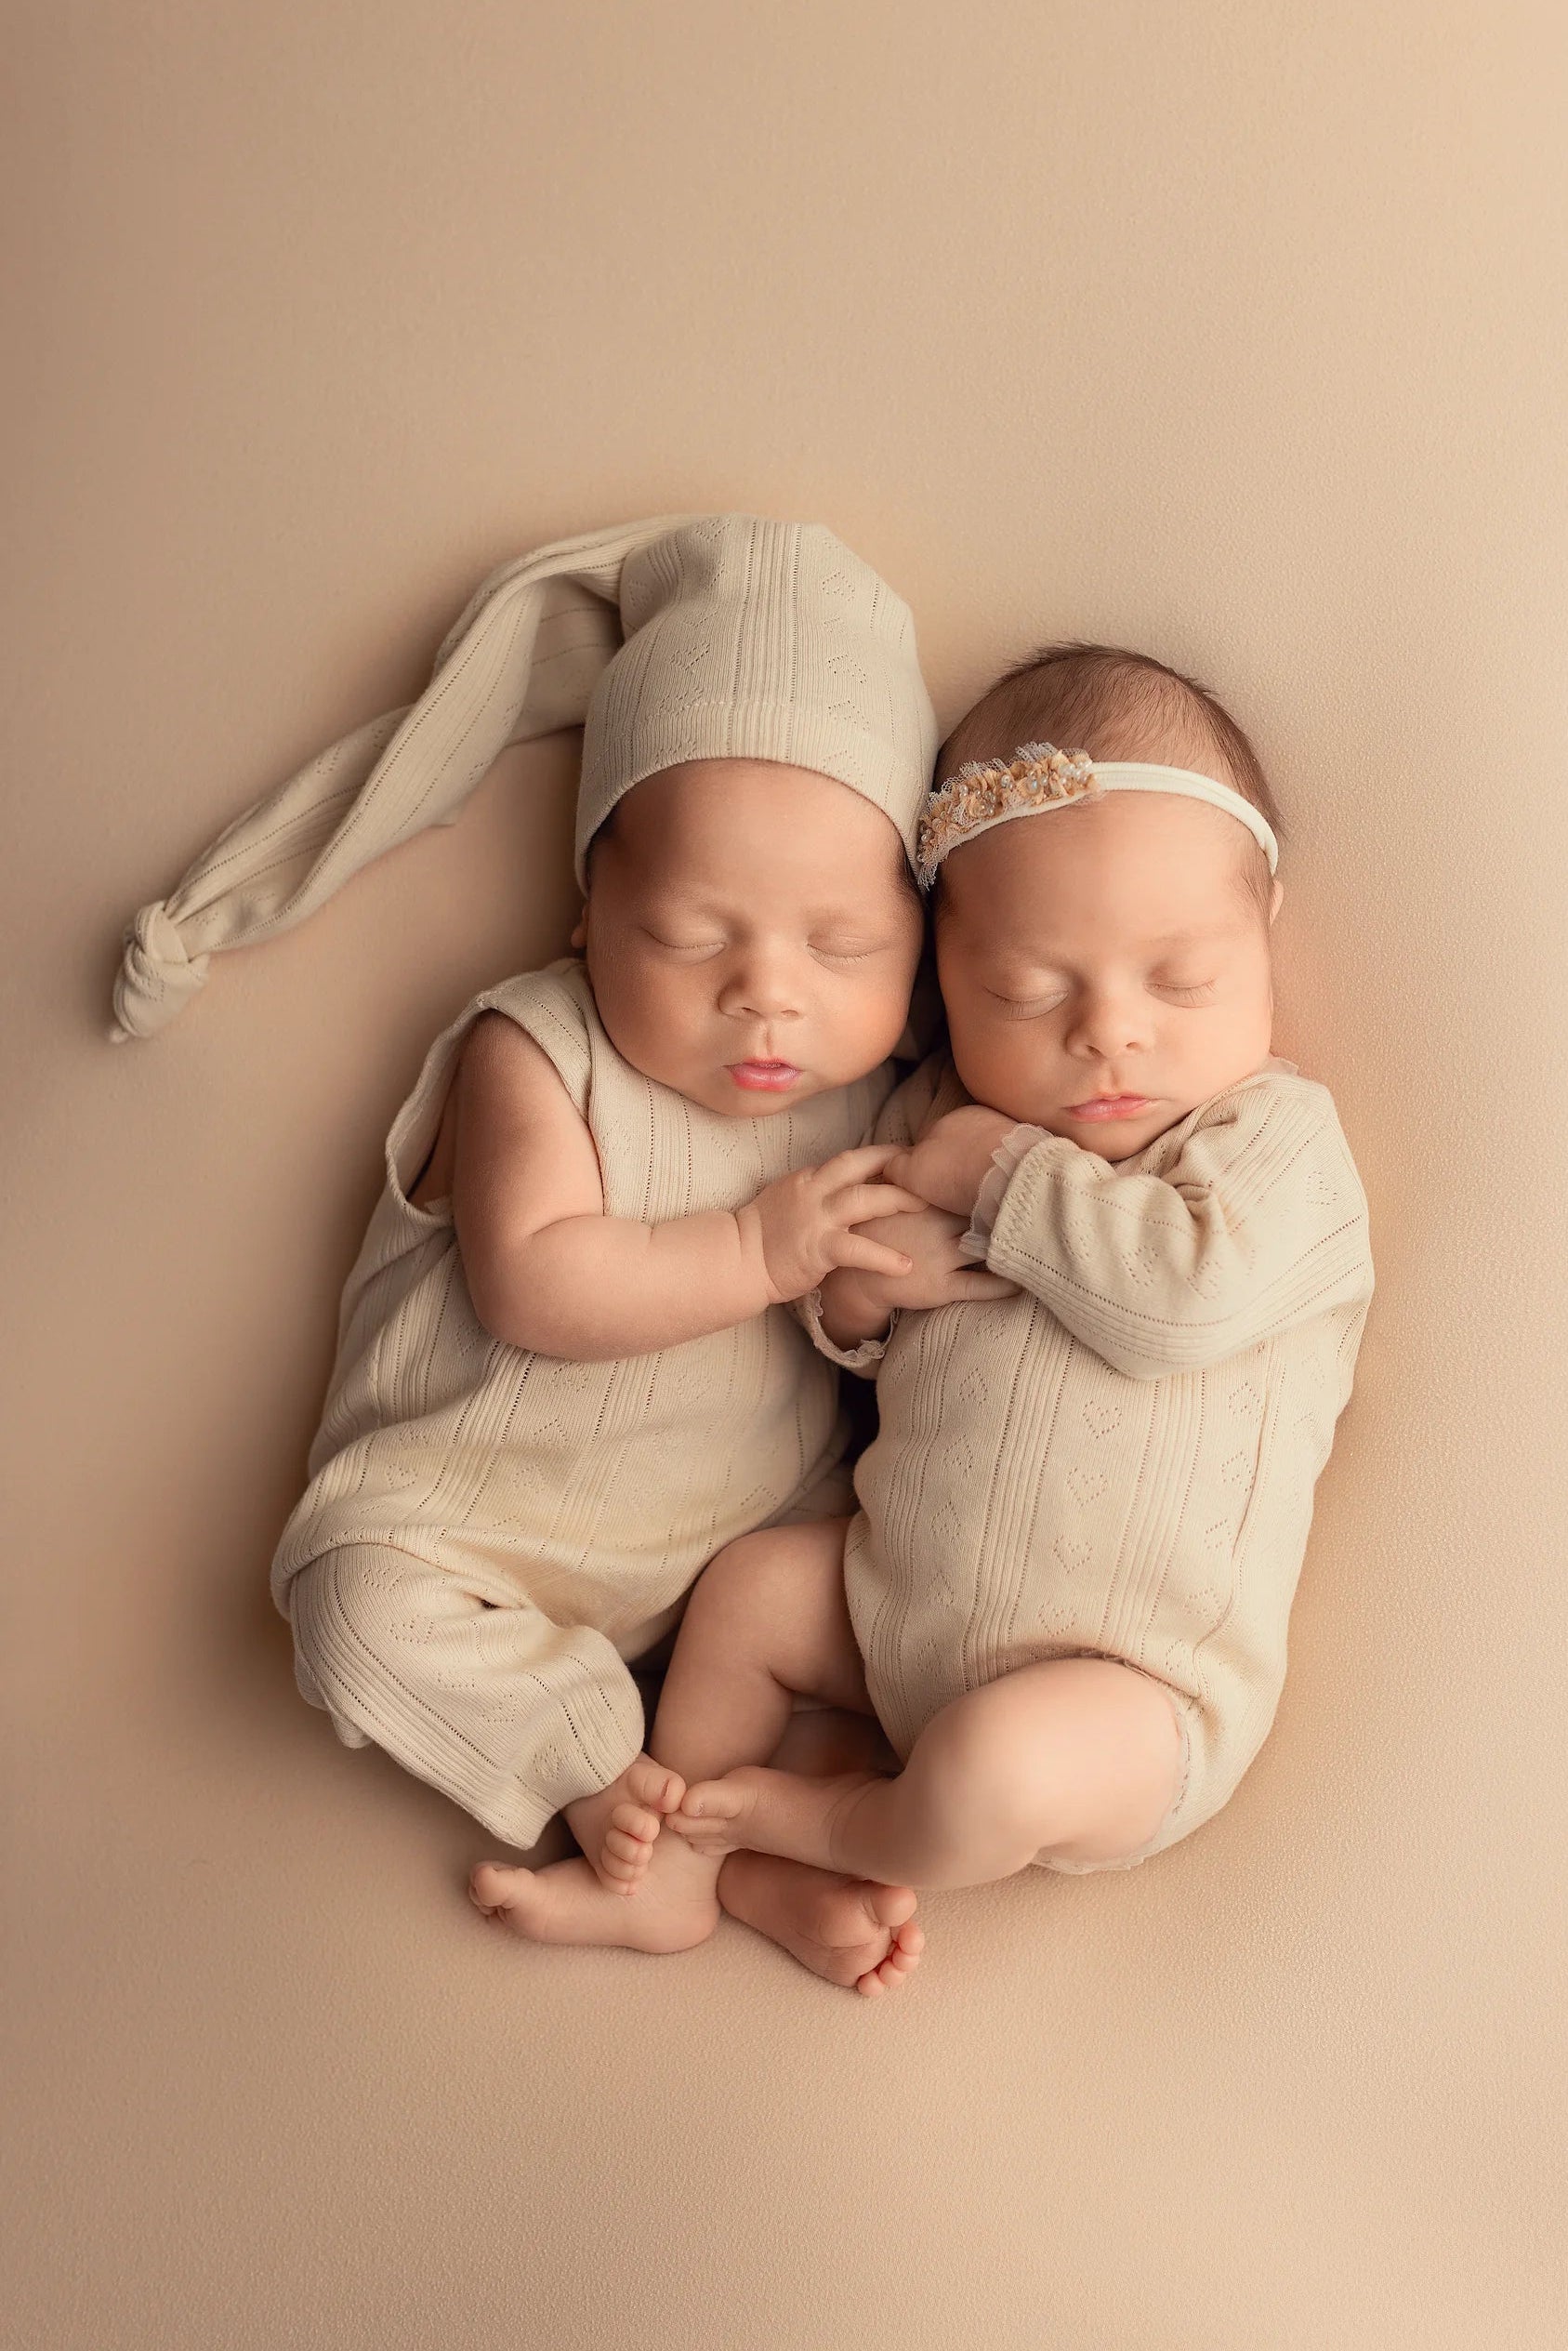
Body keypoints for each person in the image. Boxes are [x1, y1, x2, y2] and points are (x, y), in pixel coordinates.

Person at [109, 514, 1008, 1990]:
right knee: (344, 1612)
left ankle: (746, 1865)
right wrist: (761, 1243)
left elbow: (896, 1298)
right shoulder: (535, 1048)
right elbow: (533, 1282)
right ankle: (602, 1784)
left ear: (914, 943)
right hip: (473, 1538)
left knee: (882, 1619)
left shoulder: (889, 1089)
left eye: (840, 944)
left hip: (728, 1560)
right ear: (590, 915)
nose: (767, 999)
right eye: (692, 935)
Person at [504, 642, 1372, 1987]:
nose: (1107, 1034)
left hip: (1126, 1703)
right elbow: (855, 1319)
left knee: (989, 1765)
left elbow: (1183, 1304)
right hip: (891, 1607)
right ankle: (682, 1869)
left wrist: (1004, 1178)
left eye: (1178, 980)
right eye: (1028, 991)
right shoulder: (932, 1114)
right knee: (746, 1593)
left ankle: (827, 1822)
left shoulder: (1271, 1143)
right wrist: (855, 1295)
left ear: (1260, 937)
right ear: (943, 980)